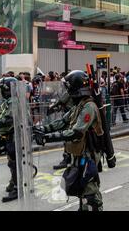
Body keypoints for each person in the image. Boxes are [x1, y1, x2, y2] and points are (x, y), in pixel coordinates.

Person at [33, 71, 104, 211]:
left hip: (88, 155)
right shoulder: (79, 106)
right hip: (79, 155)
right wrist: (41, 129)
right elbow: (62, 121)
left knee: (90, 193)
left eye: (68, 87)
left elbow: (76, 132)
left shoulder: (89, 106)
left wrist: (48, 138)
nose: (67, 90)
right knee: (80, 188)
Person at [0, 77, 19, 202]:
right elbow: (1, 115)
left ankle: (18, 188)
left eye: (1, 88)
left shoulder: (14, 102)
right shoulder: (8, 101)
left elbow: (9, 119)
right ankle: (14, 182)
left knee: (15, 163)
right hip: (8, 135)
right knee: (11, 161)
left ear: (6, 90)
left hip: (14, 135)